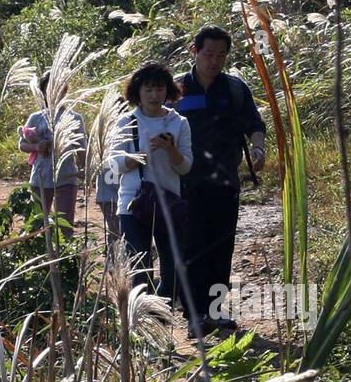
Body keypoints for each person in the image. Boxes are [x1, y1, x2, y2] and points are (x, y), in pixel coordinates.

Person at [176, 25, 267, 334]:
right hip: (186, 183)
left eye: (221, 55)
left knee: (221, 247)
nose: (214, 61)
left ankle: (215, 312)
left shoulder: (234, 89)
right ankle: (194, 315)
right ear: (194, 51)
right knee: (192, 248)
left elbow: (254, 123)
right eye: (208, 54)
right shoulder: (176, 90)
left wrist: (258, 147)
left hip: (226, 181)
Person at [112, 60, 193, 303]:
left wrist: (171, 150)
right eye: (148, 89)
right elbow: (114, 165)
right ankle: (141, 327)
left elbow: (186, 166)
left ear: (168, 91)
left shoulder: (179, 123)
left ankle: (162, 321)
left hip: (169, 202)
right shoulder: (125, 122)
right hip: (132, 204)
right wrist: (141, 156)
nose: (154, 95)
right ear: (137, 92)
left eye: (159, 89)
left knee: (172, 272)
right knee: (139, 271)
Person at [19, 72, 83, 233]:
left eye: (59, 87)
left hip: (67, 176)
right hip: (40, 177)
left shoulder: (74, 118)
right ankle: (42, 256)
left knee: (65, 224)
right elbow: (22, 144)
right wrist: (36, 147)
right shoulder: (36, 117)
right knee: (37, 224)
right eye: (50, 88)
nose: (55, 92)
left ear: (65, 90)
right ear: (44, 92)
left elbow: (82, 147)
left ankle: (65, 257)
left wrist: (84, 169)